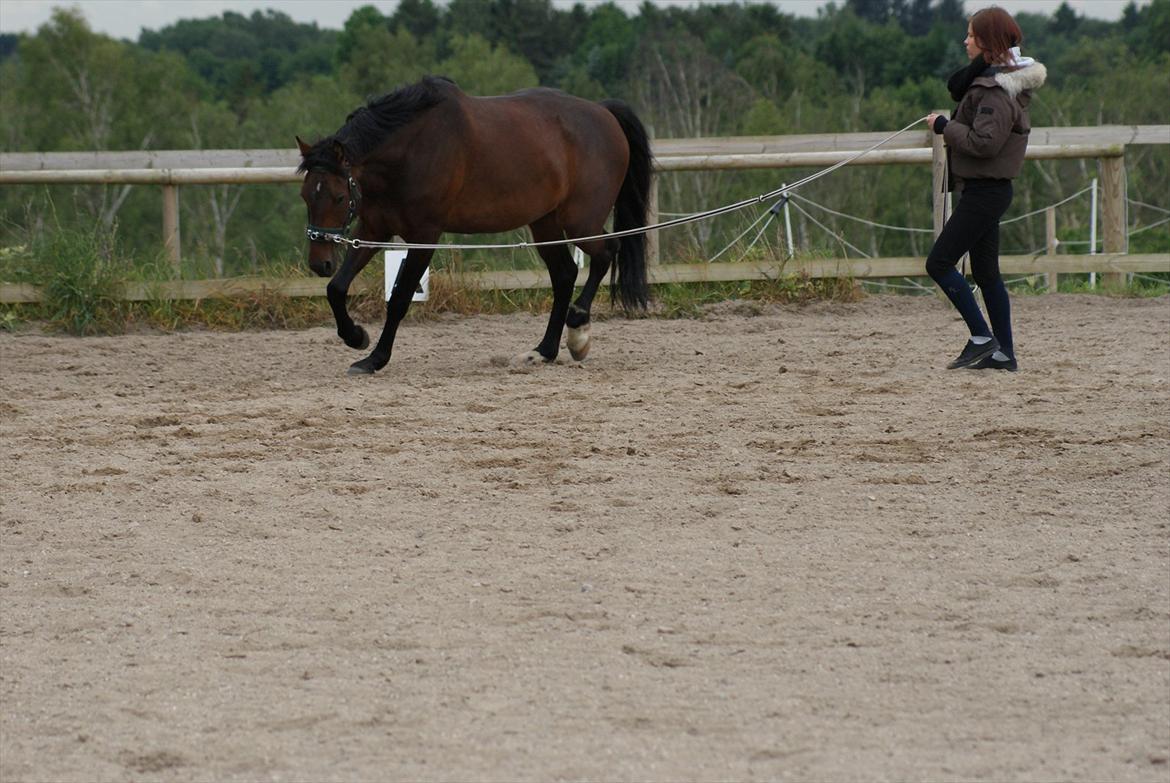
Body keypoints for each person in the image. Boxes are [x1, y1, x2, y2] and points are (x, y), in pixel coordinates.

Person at [925, 6, 1046, 372]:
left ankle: (981, 337)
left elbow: (985, 144)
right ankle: (1004, 354)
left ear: (986, 42)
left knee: (939, 263)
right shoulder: (992, 84)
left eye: (972, 36)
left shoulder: (996, 92)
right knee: (986, 272)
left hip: (985, 193)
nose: (965, 41)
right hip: (985, 191)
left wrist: (945, 126)